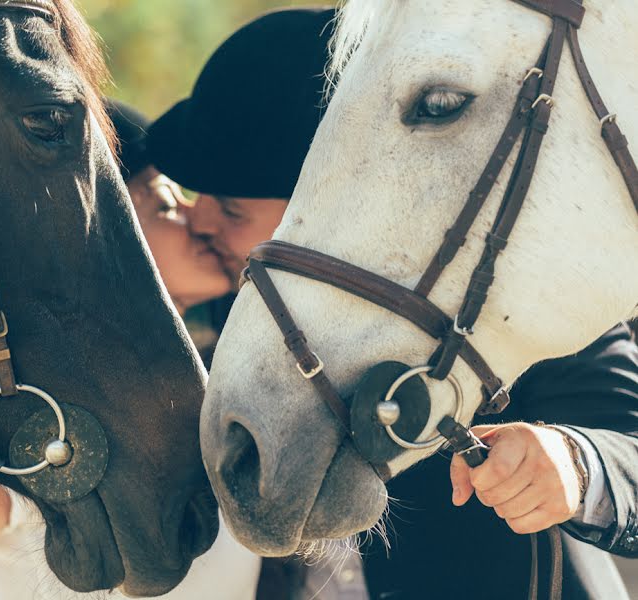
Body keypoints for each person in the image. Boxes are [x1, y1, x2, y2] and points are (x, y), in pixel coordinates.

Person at [146, 7, 638, 599]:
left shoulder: (508, 305)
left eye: (228, 209)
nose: (198, 224)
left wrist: (575, 463)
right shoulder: (236, 319)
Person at [0, 100, 260, 600]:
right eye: (167, 202)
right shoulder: (32, 420)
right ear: (94, 230)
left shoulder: (232, 399)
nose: (199, 218)